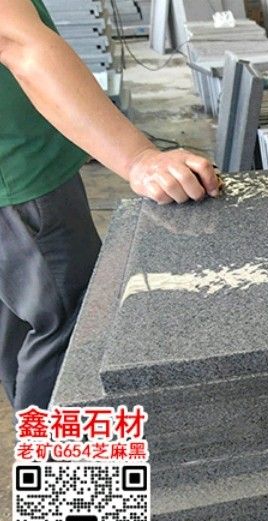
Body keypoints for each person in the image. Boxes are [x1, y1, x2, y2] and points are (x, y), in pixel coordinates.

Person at [0, 0, 219, 411]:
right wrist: (138, 158)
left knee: (21, 323)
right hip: (21, 183)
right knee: (70, 329)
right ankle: (61, 449)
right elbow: (16, 42)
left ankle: (37, 436)